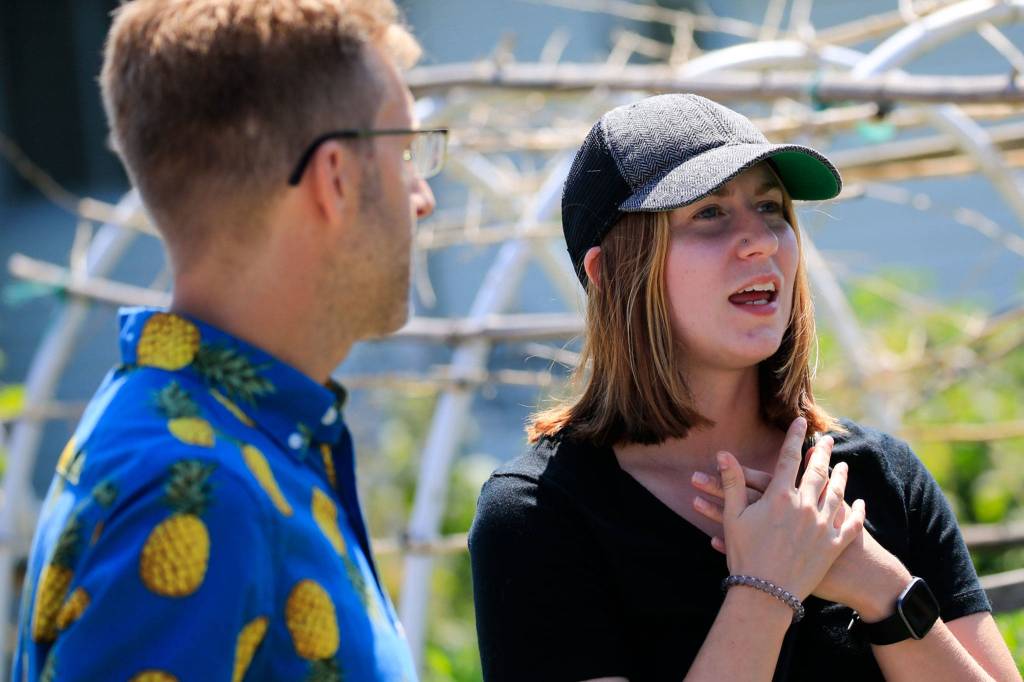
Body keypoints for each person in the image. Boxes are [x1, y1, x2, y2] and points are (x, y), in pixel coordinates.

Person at [469, 94, 1020, 681]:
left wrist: (876, 582)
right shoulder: (539, 516)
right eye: (708, 213)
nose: (760, 240)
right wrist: (766, 588)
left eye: (770, 206)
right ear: (609, 274)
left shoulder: (880, 477)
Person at [13, 1, 442, 680]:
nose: (423, 196)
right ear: (336, 177)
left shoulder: (219, 441)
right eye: (408, 153)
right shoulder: (194, 492)